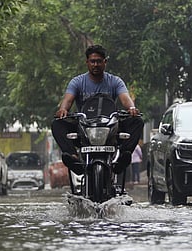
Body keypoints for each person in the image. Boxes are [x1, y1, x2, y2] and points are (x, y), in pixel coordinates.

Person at [52, 44, 144, 175]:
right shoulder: (77, 82)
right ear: (87, 62)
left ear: (105, 62)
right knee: (57, 124)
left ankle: (122, 157)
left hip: (111, 127)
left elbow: (125, 99)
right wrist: (63, 110)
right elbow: (67, 101)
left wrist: (132, 109)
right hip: (84, 127)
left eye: (99, 61)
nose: (96, 65)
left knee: (137, 121)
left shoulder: (115, 81)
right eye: (92, 61)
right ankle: (73, 157)